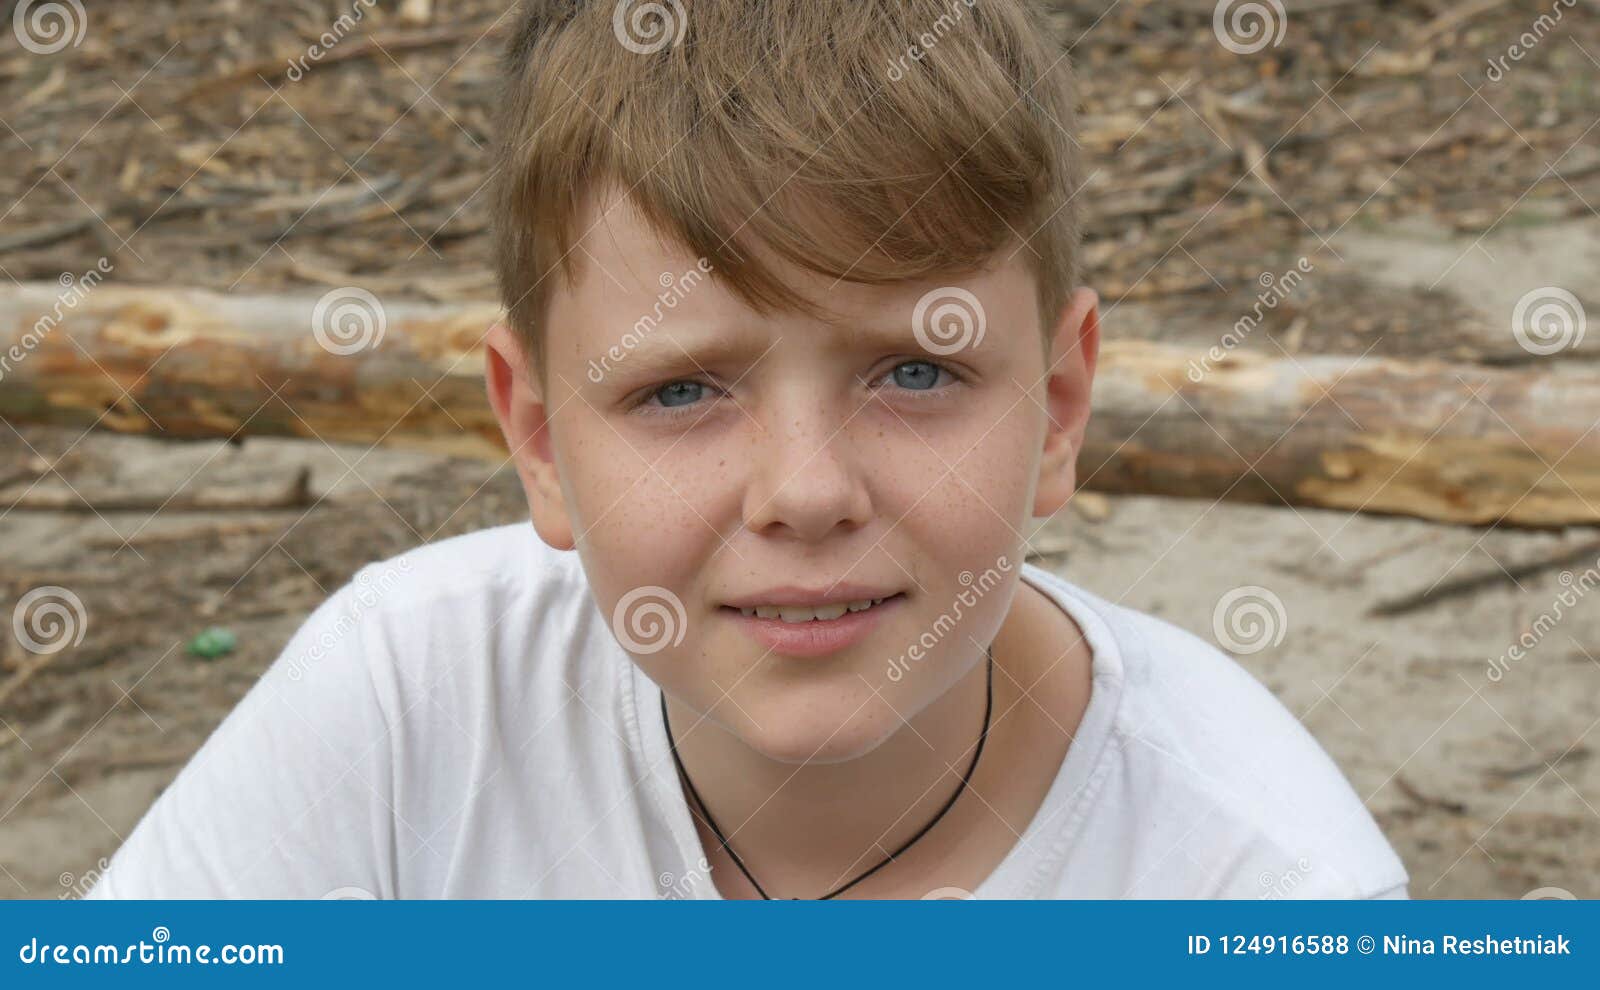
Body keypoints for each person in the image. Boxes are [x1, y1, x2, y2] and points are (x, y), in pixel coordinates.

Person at [88, 0, 1408, 899]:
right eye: (679, 393)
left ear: (1059, 407)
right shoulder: (405, 705)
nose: (807, 490)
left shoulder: (1264, 887)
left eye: (914, 371)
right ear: (538, 437)